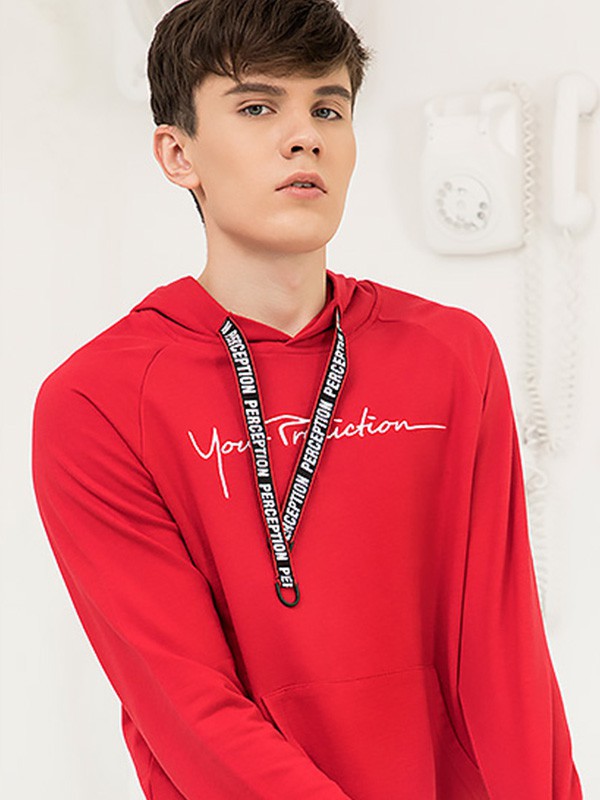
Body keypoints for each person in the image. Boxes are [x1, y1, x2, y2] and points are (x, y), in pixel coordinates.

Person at [31, 0, 584, 797]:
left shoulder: (450, 355)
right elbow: (185, 707)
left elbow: (504, 649)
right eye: (258, 107)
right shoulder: (97, 401)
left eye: (328, 107)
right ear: (178, 154)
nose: (305, 136)